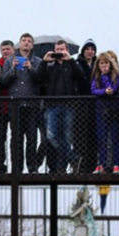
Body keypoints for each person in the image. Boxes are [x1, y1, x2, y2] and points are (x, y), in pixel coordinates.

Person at [38, 40, 84, 173]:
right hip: (52, 105)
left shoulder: (71, 64)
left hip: (68, 105)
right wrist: (44, 61)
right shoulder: (50, 66)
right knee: (51, 136)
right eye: (57, 49)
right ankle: (74, 158)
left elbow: (80, 76)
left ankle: (62, 167)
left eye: (62, 49)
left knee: (67, 137)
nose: (59, 52)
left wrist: (70, 60)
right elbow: (39, 78)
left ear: (67, 50)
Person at [1, 33, 42, 173]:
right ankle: (16, 168)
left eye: (29, 41)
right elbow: (4, 81)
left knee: (32, 137)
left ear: (32, 45)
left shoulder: (37, 61)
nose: (26, 43)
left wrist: (31, 68)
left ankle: (32, 167)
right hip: (16, 105)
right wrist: (12, 68)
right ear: (19, 43)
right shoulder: (9, 61)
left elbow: (40, 80)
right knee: (16, 138)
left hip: (32, 104)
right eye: (24, 40)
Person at [90, 52, 119, 174]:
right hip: (101, 111)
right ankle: (101, 164)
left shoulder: (116, 75)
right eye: (101, 63)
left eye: (106, 63)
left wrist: (108, 84)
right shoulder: (96, 77)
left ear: (110, 64)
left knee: (115, 138)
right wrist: (104, 91)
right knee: (102, 138)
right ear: (98, 65)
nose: (104, 65)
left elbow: (113, 88)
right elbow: (93, 90)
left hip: (114, 111)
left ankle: (116, 165)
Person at [75, 39, 98, 174]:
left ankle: (92, 165)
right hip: (80, 105)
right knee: (80, 135)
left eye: (92, 49)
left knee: (93, 135)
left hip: (95, 105)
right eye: (87, 49)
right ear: (83, 51)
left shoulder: (97, 64)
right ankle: (80, 164)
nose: (90, 51)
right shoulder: (78, 63)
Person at [0, 40, 15, 173]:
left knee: (15, 138)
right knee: (0, 138)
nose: (6, 51)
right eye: (3, 49)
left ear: (13, 50)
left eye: (8, 49)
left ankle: (15, 166)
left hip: (13, 106)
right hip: (0, 107)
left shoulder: (17, 63)